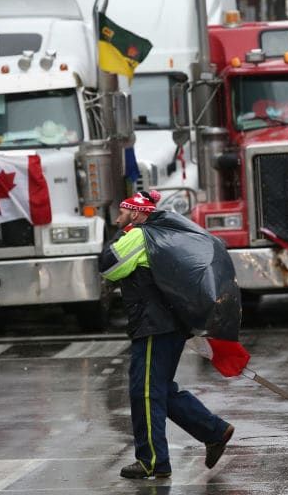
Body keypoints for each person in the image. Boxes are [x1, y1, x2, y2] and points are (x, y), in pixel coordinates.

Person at [99, 190, 235, 480]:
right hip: (171, 326)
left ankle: (151, 461)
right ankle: (214, 431)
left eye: (122, 213)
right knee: (160, 390)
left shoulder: (140, 236)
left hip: (154, 327)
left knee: (145, 392)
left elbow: (109, 267)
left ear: (135, 213)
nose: (118, 218)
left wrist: (119, 234)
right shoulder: (163, 232)